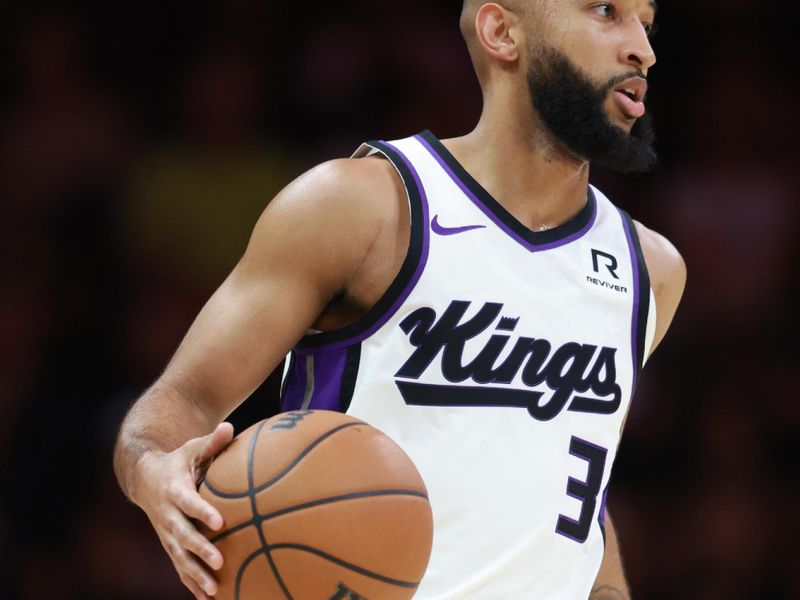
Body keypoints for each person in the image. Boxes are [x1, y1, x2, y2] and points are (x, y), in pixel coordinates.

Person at [114, 1, 686, 598]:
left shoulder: (651, 270)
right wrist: (153, 469)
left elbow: (572, 488)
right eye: (606, 11)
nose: (642, 48)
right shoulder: (361, 207)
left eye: (644, 22)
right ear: (501, 32)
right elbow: (178, 404)